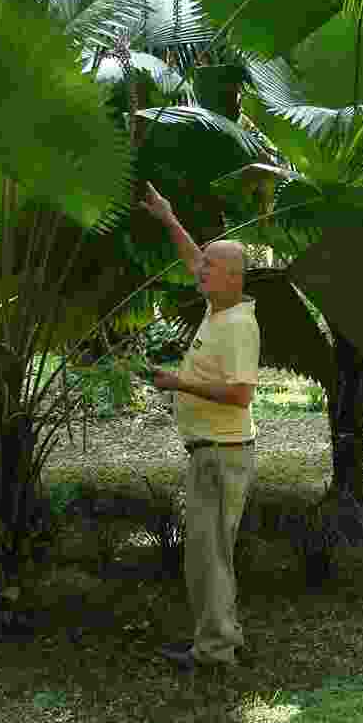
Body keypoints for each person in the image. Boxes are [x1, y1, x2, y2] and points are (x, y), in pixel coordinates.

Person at [139, 182, 260, 671]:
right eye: (203, 263)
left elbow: (240, 394)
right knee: (212, 554)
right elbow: (193, 260)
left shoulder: (237, 327)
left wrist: (179, 383)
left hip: (221, 452)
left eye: (210, 267)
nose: (199, 270)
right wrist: (168, 217)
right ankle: (223, 635)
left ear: (230, 277)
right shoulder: (221, 306)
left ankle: (214, 650)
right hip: (212, 450)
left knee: (208, 557)